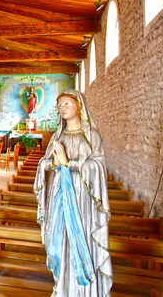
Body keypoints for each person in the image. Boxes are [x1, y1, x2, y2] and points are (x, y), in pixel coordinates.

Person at [33, 89, 112, 297]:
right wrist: (52, 164)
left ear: (79, 106)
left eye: (67, 103)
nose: (62, 108)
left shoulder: (91, 136)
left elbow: (98, 167)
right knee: (60, 242)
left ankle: (84, 291)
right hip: (59, 197)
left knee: (81, 238)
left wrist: (70, 164)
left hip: (82, 200)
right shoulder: (58, 136)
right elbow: (45, 164)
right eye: (60, 105)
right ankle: (63, 287)